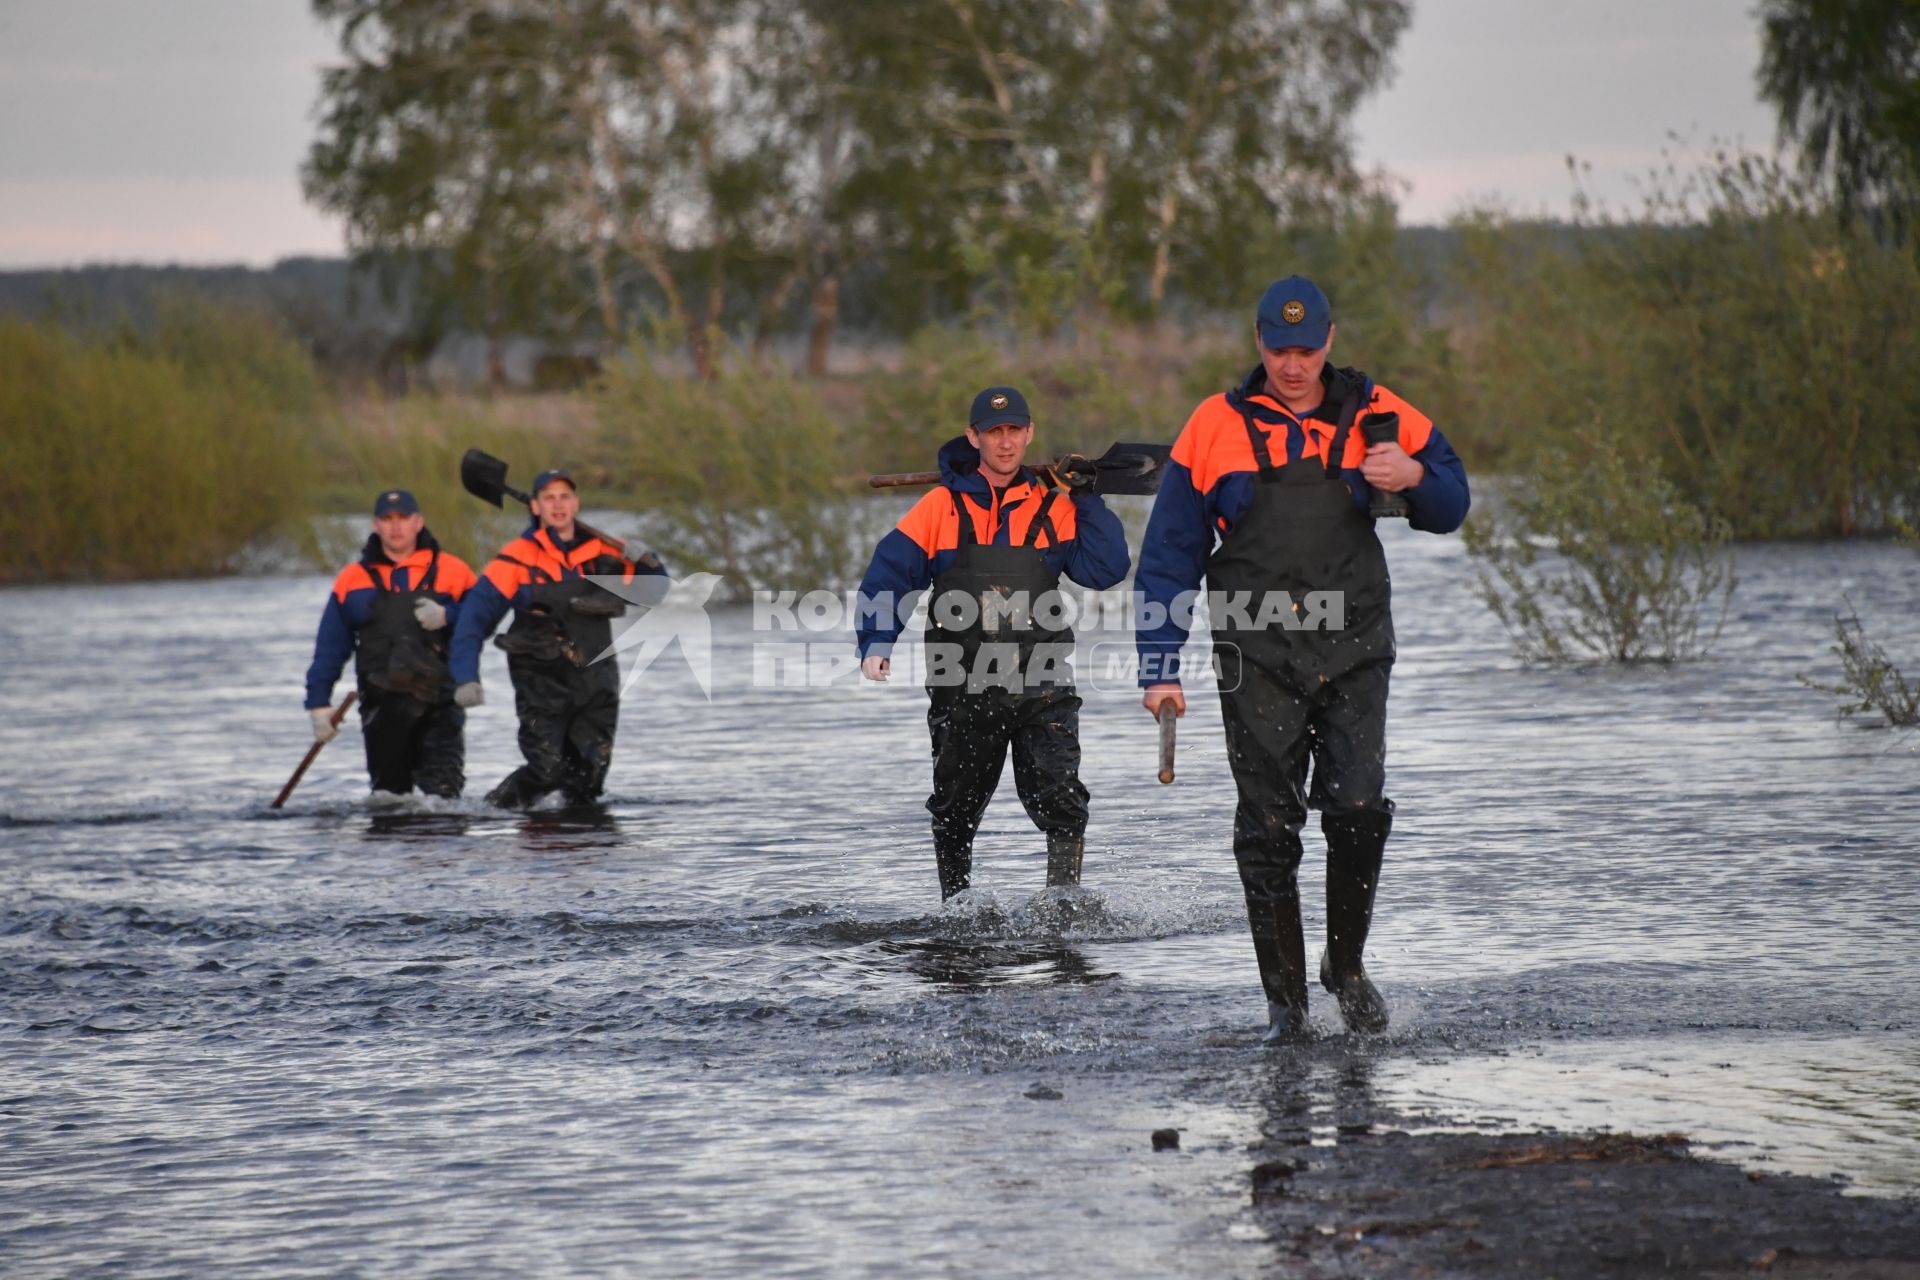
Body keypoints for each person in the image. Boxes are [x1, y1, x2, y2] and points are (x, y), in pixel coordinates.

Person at [1135, 276, 1470, 1041]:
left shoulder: (1378, 413)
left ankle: (1344, 968)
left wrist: (1413, 478)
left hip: (1355, 645)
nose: (1294, 365)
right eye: (1280, 350)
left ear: (1328, 342)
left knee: (1357, 808)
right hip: (1254, 652)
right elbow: (1167, 558)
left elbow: (1454, 503)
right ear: (1258, 344)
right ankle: (1287, 1008)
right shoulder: (1212, 426)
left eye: (1307, 350)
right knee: (1269, 828)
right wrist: (1159, 666)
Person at [857, 386, 1132, 898]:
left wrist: (1087, 497)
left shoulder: (1056, 505)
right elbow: (888, 576)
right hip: (961, 686)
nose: (1004, 443)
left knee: (1062, 800)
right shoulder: (938, 507)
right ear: (974, 437)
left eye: (1014, 432)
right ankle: (956, 913)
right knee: (955, 809)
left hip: (1041, 682)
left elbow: (1107, 569)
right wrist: (876, 643)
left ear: (1029, 435)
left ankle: (1063, 909)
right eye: (993, 432)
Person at [448, 468, 666, 809]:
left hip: (597, 680)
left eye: (565, 496)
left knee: (588, 780)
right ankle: (489, 811)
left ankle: (584, 854)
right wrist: (466, 678)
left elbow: (654, 593)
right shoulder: (515, 559)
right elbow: (472, 621)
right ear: (535, 507)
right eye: (549, 498)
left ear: (576, 503)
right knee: (547, 771)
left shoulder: (604, 552)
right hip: (540, 683)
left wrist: (648, 564)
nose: (558, 505)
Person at [304, 489, 479, 797]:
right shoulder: (352, 579)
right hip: (381, 707)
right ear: (375, 525)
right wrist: (319, 705)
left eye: (403, 519)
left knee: (443, 799)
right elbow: (330, 648)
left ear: (418, 522)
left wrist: (448, 615)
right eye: (387, 519)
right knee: (389, 800)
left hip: (440, 704)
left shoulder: (454, 571)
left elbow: (483, 616)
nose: (395, 527)